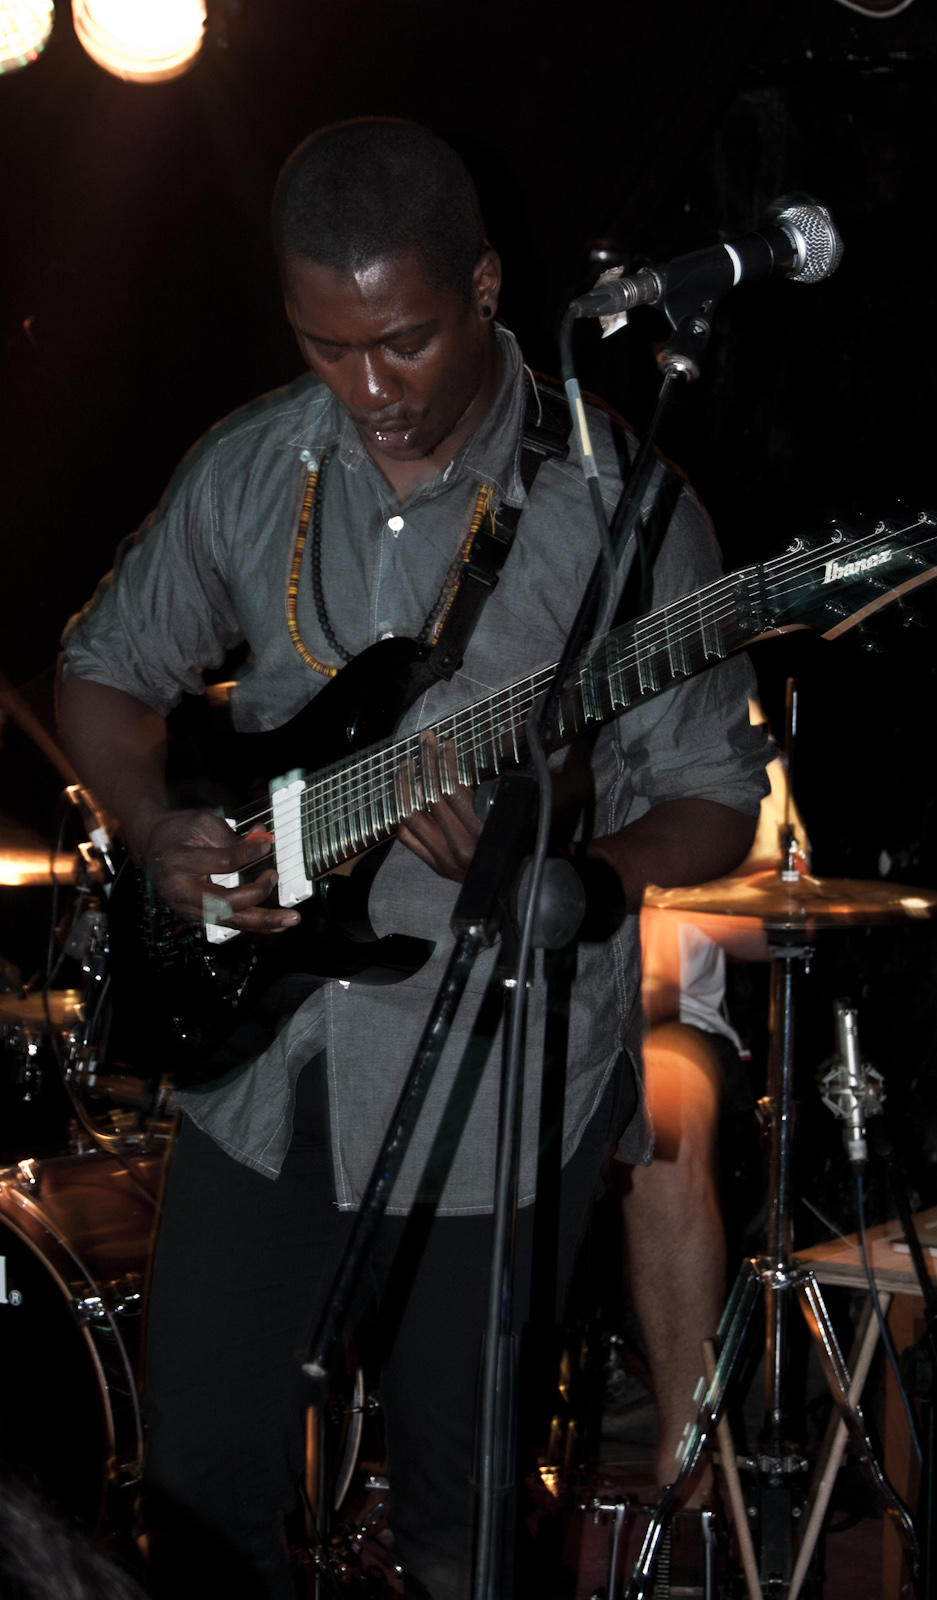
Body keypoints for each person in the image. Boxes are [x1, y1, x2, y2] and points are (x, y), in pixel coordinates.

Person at [57, 119, 769, 1600]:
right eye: (327, 347)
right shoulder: (255, 466)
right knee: (197, 1503)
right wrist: (156, 828)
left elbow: (714, 797)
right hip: (266, 1076)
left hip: (497, 1085)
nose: (368, 388)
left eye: (402, 342)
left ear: (488, 287)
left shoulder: (625, 514)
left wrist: (566, 852)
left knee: (464, 1526)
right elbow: (104, 675)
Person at [621, 721, 809, 1499]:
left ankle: (688, 1471)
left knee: (660, 1130)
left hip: (666, 1020)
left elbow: (784, 915)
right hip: (513, 1020)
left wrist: (658, 883)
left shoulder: (726, 712)